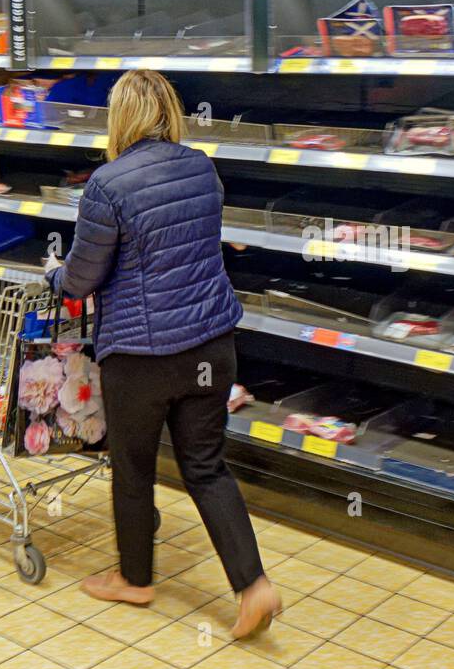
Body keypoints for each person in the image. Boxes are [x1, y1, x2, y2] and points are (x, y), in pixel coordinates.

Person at [45, 69, 281, 639]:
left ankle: (134, 578)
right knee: (205, 467)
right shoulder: (202, 166)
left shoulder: (107, 184)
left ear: (119, 117)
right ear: (171, 111)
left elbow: (82, 279)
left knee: (133, 468)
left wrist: (56, 278)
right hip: (211, 347)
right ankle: (254, 587)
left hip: (143, 355)